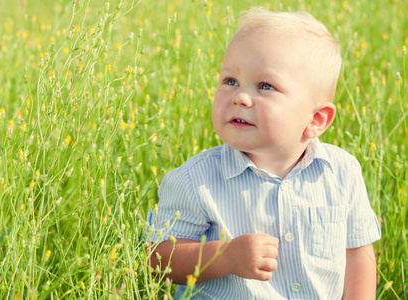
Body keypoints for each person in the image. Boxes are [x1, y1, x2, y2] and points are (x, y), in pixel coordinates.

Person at [145, 7, 381, 299]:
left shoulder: (341, 172)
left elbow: (358, 255)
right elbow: (158, 260)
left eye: (265, 86)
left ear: (315, 120)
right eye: (230, 81)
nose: (241, 97)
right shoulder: (197, 179)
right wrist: (224, 256)